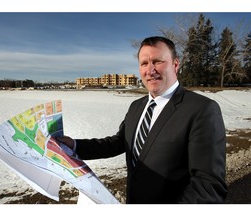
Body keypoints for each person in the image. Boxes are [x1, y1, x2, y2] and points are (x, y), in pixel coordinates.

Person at [58, 36, 227, 204]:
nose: (150, 70)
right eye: (144, 63)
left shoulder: (201, 109)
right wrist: (74, 145)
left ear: (175, 64)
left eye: (158, 61)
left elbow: (208, 187)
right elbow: (118, 143)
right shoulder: (136, 107)